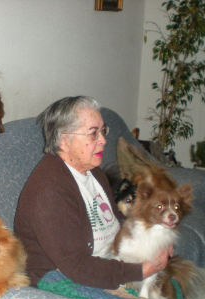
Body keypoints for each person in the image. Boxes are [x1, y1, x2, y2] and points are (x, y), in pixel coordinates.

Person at [14, 96, 172, 289]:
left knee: (169, 288)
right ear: (64, 141)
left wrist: (155, 237)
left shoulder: (93, 171)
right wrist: (139, 271)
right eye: (93, 133)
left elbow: (115, 220)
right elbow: (77, 266)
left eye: (103, 131)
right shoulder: (48, 192)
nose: (104, 141)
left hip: (110, 258)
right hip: (63, 278)